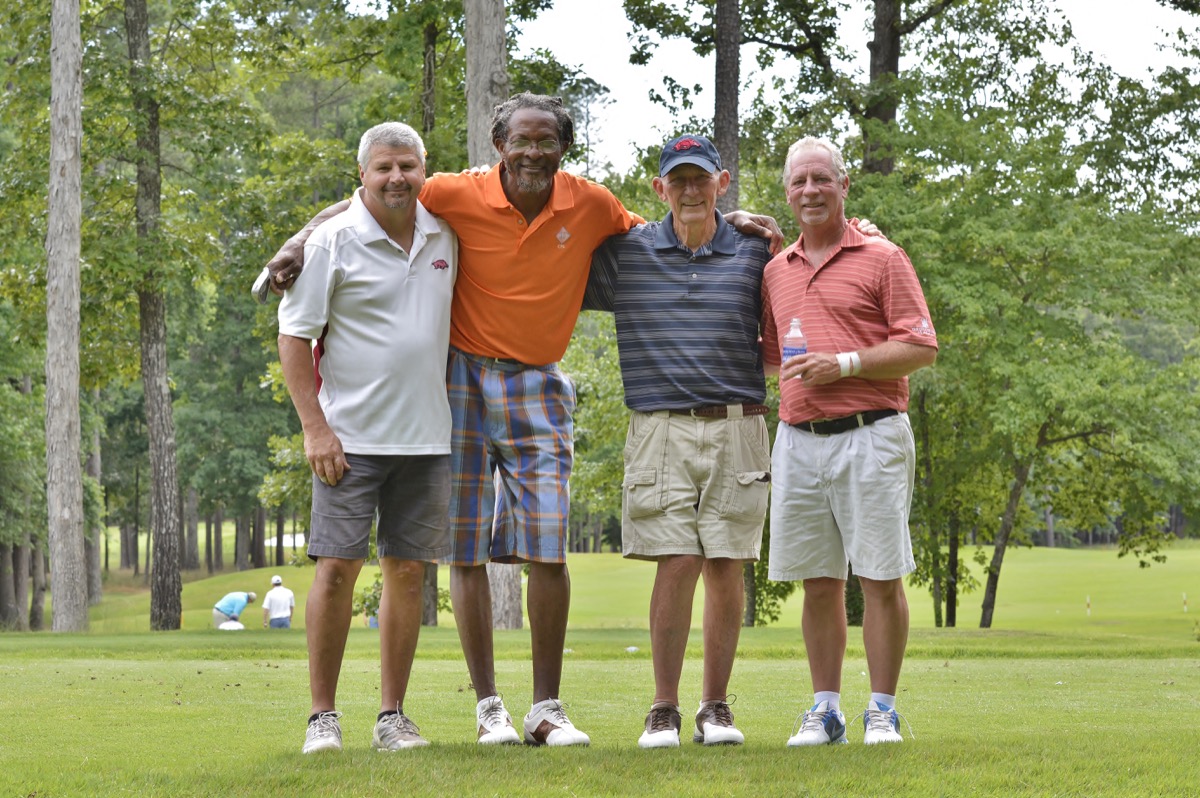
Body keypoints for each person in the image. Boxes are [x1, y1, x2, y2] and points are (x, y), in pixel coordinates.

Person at [260, 93, 783, 747]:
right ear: (499, 146)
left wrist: (729, 219)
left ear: (564, 149)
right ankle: (489, 708)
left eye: (546, 141)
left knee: (547, 547)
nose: (533, 152)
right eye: (522, 141)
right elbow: (366, 199)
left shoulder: (591, 203)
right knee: (466, 550)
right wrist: (298, 241)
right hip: (461, 379)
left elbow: (668, 227)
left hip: (539, 379)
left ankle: (546, 707)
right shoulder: (453, 191)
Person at [582, 134, 772, 748]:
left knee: (726, 563)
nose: (691, 190)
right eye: (679, 180)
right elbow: (542, 263)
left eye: (702, 179)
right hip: (659, 425)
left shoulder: (755, 250)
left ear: (722, 183)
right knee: (678, 559)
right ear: (659, 188)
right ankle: (663, 707)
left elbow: (809, 278)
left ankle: (715, 708)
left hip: (737, 423)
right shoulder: (626, 253)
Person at [277, 121, 457, 755]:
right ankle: (321, 717)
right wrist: (315, 429)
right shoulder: (333, 240)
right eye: (384, 167)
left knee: (407, 574)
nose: (396, 178)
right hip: (347, 442)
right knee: (335, 571)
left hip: (427, 439)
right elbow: (294, 337)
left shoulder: (445, 233)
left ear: (424, 170)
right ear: (363, 174)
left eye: (408, 166)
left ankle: (392, 716)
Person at [759, 136, 938, 746]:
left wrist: (845, 364)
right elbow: (771, 358)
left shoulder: (883, 256)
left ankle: (882, 710)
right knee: (818, 581)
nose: (810, 190)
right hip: (798, 440)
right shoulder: (774, 271)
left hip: (871, 434)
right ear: (787, 193)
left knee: (880, 578)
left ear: (843, 186)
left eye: (821, 179)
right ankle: (826, 710)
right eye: (799, 181)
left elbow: (920, 347)